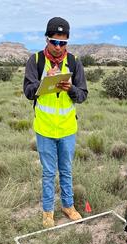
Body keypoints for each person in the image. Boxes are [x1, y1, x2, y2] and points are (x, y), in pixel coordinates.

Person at [23, 17, 88, 228]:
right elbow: (28, 92)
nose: (59, 47)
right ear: (47, 39)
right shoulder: (35, 60)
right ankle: (48, 211)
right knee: (49, 172)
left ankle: (68, 206)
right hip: (45, 128)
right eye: (54, 42)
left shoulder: (75, 61)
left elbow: (83, 94)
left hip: (68, 128)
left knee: (67, 170)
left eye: (63, 43)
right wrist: (45, 83)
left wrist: (72, 90)